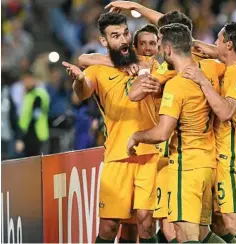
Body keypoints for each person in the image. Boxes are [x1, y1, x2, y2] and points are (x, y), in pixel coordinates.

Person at [62, 12, 161, 243]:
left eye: (125, 33)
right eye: (115, 36)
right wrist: (78, 79)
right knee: (109, 227)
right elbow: (83, 87)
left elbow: (85, 57)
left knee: (146, 223)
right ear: (104, 41)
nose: (124, 40)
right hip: (117, 155)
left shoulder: (144, 59)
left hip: (148, 153)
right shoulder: (97, 70)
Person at [127, 23, 221, 243]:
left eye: (160, 46)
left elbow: (162, 132)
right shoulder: (207, 73)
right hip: (207, 164)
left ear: (168, 50)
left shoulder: (177, 85)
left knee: (186, 235)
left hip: (186, 166)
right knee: (202, 233)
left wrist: (136, 136)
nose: (159, 51)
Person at [182, 21, 236, 243]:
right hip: (213, 154)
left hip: (229, 154)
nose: (213, 43)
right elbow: (181, 36)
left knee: (232, 221)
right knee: (215, 223)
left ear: (228, 45)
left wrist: (202, 82)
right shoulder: (226, 65)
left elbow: (226, 111)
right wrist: (138, 8)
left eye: (218, 39)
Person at [17, 70, 50, 157]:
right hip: (28, 135)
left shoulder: (38, 95)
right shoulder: (28, 95)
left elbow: (34, 117)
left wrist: (22, 138)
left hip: (37, 135)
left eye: (27, 80)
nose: (25, 83)